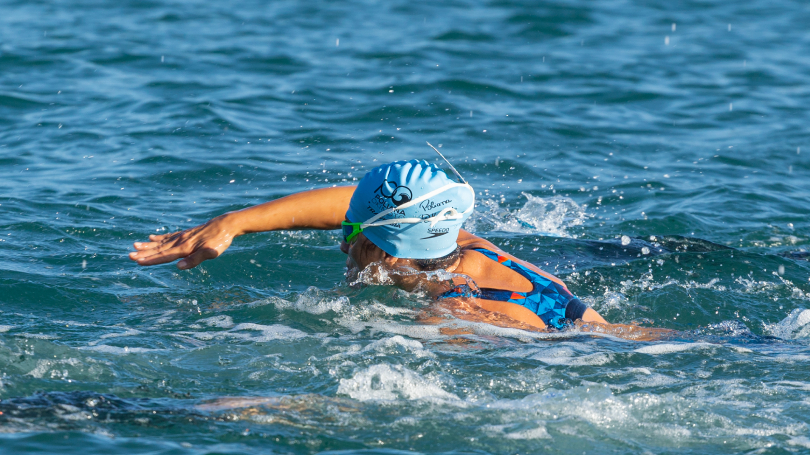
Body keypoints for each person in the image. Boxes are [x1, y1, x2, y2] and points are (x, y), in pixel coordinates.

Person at [129, 157, 669, 340]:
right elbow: (349, 203)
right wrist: (234, 223)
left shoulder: (451, 314)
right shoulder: (463, 243)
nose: (341, 241)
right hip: (609, 329)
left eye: (349, 235)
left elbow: (387, 402)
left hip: (598, 351)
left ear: (383, 252)